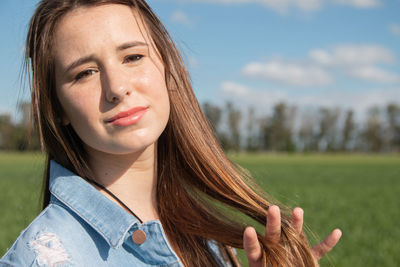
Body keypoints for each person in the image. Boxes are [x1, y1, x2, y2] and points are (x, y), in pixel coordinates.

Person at [0, 0, 341, 266]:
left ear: (167, 67)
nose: (117, 88)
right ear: (56, 107)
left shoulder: (210, 239)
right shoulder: (42, 260)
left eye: (133, 57)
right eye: (85, 73)